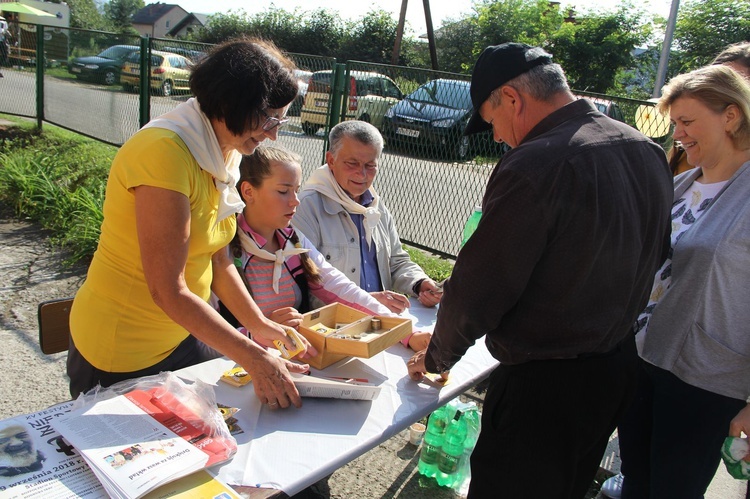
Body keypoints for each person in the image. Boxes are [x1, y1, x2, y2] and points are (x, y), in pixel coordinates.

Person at [406, 42, 673, 498]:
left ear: (512, 98)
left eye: (491, 122)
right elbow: (644, 253)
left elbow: (480, 287)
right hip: (613, 370)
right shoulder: (643, 148)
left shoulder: (535, 162)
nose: (496, 137)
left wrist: (436, 358)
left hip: (545, 391)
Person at [67, 38, 314, 411]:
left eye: (280, 119)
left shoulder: (222, 150)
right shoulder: (164, 153)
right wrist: (253, 355)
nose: (273, 133)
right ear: (230, 103)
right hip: (121, 351)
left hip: (181, 334)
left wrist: (259, 324)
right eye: (269, 118)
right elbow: (167, 290)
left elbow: (217, 259)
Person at [612, 65, 750, 499]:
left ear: (731, 116)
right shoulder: (683, 182)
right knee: (636, 481)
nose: (679, 135)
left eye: (688, 122)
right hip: (645, 357)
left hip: (706, 380)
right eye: (675, 124)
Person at [209, 145, 431, 352]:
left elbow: (341, 289)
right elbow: (204, 338)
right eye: (283, 191)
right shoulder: (221, 251)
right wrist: (259, 332)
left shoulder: (294, 242)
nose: (295, 201)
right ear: (248, 191)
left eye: (296, 190)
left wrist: (407, 333)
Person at [293, 120, 443, 315]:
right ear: (331, 160)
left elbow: (396, 260)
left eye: (370, 165)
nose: (362, 174)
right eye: (352, 163)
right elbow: (308, 282)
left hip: (380, 321)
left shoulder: (375, 205)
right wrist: (367, 302)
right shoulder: (306, 207)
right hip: (335, 329)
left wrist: (420, 283)